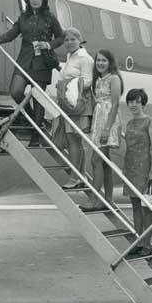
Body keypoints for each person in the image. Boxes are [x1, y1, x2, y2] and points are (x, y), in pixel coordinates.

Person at [0, 0, 64, 147]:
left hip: (42, 63)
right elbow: (13, 33)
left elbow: (61, 38)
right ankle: (33, 122)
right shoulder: (24, 17)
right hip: (24, 61)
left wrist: (48, 44)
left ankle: (36, 135)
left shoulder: (50, 18)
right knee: (16, 91)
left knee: (38, 100)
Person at [80, 50, 124, 212]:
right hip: (99, 119)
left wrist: (106, 129)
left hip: (108, 121)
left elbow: (115, 104)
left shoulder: (114, 79)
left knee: (96, 160)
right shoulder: (98, 79)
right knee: (104, 162)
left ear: (110, 62)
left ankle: (94, 199)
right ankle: (108, 199)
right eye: (98, 60)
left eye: (104, 60)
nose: (100, 63)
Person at [122, 89, 152, 257]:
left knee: (146, 208)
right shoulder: (129, 124)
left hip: (144, 166)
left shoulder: (150, 122)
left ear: (143, 103)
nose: (133, 105)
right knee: (135, 206)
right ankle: (138, 241)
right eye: (130, 102)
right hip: (130, 166)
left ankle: (147, 244)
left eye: (137, 101)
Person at [59, 27, 94, 189]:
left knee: (76, 141)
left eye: (73, 39)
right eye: (66, 40)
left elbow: (88, 81)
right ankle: (79, 175)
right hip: (69, 102)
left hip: (79, 103)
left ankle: (76, 177)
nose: (69, 42)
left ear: (80, 40)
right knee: (73, 141)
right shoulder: (70, 56)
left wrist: (70, 84)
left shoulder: (85, 58)